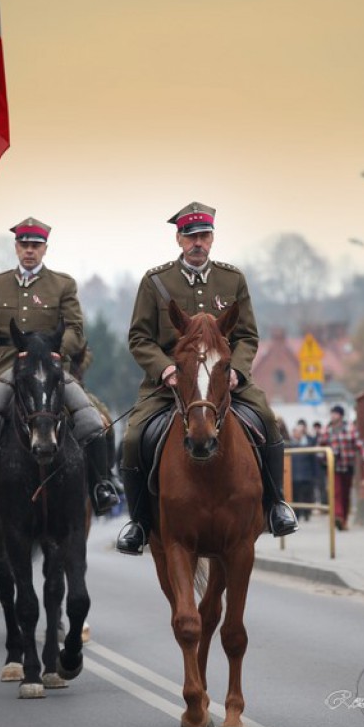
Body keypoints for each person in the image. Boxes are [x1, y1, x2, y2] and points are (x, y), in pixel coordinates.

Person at [116, 201, 298, 555]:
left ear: (212, 238)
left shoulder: (233, 279)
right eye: (191, 236)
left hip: (221, 380)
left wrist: (238, 372)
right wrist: (165, 368)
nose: (198, 243)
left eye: (204, 235)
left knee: (268, 420)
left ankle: (276, 505)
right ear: (179, 239)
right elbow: (139, 337)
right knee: (133, 435)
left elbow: (246, 336)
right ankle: (138, 523)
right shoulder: (155, 282)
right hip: (170, 383)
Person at [0, 217, 116, 520]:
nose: (30, 250)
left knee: (92, 417)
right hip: (5, 366)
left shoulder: (63, 284)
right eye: (24, 245)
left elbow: (76, 332)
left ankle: (102, 484)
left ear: (45, 248)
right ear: (16, 247)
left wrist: (51, 353)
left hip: (50, 368)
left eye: (35, 245)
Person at [319, 404, 364, 530]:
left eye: (335, 413)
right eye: (331, 413)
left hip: (347, 465)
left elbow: (360, 445)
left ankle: (344, 521)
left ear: (340, 415)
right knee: (336, 492)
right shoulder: (327, 430)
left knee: (345, 494)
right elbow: (320, 447)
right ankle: (338, 516)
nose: (332, 416)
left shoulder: (350, 429)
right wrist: (322, 459)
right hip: (333, 467)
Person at [289, 422, 318, 521]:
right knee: (295, 496)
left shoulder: (309, 443)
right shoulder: (290, 445)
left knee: (307, 495)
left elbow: (313, 461)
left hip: (306, 475)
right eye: (295, 431)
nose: (296, 434)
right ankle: (297, 514)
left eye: (298, 432)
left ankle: (306, 513)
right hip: (294, 475)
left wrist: (314, 474)